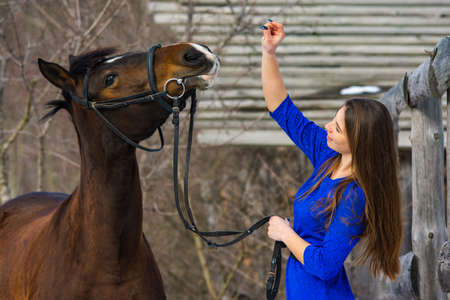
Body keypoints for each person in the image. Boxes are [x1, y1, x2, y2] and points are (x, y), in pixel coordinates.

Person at [261, 21, 402, 299]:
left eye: (337, 128)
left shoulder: (355, 194)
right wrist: (269, 54)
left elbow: (326, 266)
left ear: (359, 143)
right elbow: (281, 108)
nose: (327, 126)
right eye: (333, 119)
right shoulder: (328, 156)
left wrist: (285, 234)